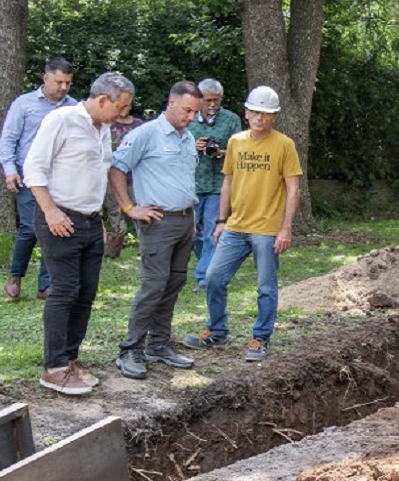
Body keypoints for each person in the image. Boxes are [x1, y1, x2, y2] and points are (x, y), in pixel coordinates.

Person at [24, 71, 135, 396]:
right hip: (59, 218)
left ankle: (70, 358)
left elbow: (95, 175)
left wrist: (96, 217)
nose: (123, 114)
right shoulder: (61, 120)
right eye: (121, 107)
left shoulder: (101, 129)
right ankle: (54, 367)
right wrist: (51, 210)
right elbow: (34, 168)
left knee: (86, 292)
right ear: (103, 100)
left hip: (88, 221)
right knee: (65, 290)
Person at [182, 85, 302, 362]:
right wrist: (221, 220)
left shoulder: (284, 145)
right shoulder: (236, 142)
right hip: (235, 226)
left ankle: (260, 338)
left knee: (266, 287)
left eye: (266, 114)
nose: (259, 118)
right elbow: (228, 181)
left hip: (267, 229)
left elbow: (293, 188)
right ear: (246, 113)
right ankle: (216, 329)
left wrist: (285, 228)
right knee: (213, 278)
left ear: (275, 117)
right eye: (255, 113)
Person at [108, 81, 204, 381]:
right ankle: (130, 350)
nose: (191, 117)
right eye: (187, 110)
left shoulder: (188, 138)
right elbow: (116, 169)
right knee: (154, 285)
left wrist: (191, 215)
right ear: (171, 102)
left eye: (195, 113)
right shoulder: (145, 134)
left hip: (185, 221)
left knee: (174, 284)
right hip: (157, 223)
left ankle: (158, 344)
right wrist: (128, 208)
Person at [0, 57, 77, 301]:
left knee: (55, 228)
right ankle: (15, 276)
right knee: (30, 228)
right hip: (27, 175)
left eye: (67, 83)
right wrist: (9, 169)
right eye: (59, 81)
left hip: (59, 175)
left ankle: (46, 285)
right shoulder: (24, 104)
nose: (63, 87)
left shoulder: (73, 107)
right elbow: (8, 139)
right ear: (46, 78)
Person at [188, 78, 242, 290]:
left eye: (216, 100)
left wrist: (222, 153)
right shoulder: (188, 118)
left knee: (212, 231)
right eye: (208, 100)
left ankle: (204, 277)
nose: (212, 105)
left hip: (219, 184)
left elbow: (240, 151)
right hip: (192, 183)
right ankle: (208, 263)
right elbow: (174, 147)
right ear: (199, 100)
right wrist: (193, 146)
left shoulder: (231, 119)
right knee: (191, 233)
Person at [104, 101, 147, 259]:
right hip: (111, 175)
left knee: (138, 207)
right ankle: (116, 245)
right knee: (114, 211)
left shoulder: (139, 125)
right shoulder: (108, 123)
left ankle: (144, 245)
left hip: (134, 176)